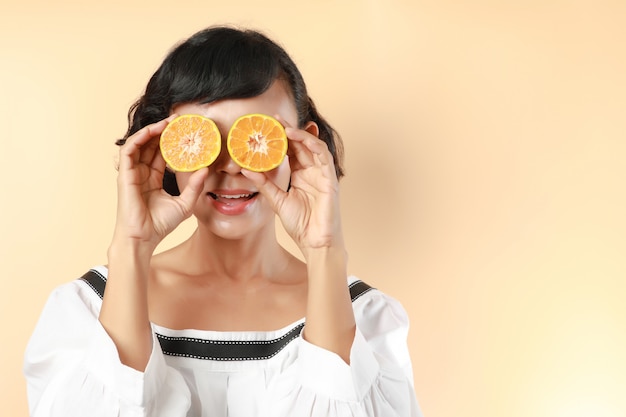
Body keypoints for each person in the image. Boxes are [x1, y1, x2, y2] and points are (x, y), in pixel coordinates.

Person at [23, 26, 423, 417]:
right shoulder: (89, 307)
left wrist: (325, 252)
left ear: (303, 148)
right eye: (203, 139)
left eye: (255, 139)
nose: (230, 166)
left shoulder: (364, 317)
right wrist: (131, 245)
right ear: (164, 148)